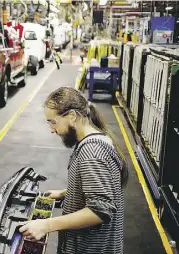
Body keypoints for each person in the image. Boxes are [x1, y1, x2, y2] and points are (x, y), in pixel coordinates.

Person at [19, 87, 128, 254]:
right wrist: (66, 193)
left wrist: (46, 225)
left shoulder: (92, 153)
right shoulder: (95, 141)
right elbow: (102, 188)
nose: (51, 129)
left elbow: (100, 211)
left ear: (71, 116)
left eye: (53, 122)